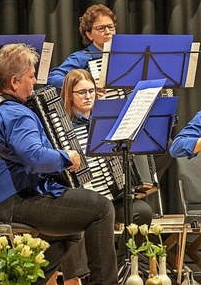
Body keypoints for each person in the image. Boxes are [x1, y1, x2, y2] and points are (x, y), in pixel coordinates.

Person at [0, 44, 119, 285]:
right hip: (8, 200)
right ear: (14, 82)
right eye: (31, 77)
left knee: (71, 229)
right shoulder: (17, 114)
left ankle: (24, 282)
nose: (34, 83)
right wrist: (67, 157)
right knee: (101, 208)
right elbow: (35, 157)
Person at [58, 69, 154, 283]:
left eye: (91, 91)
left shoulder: (109, 120)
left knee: (142, 212)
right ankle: (80, 277)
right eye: (81, 92)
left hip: (113, 194)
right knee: (74, 221)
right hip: (84, 197)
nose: (88, 96)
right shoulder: (63, 127)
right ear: (69, 94)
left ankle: (124, 268)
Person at [47, 4, 116, 90]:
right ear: (89, 34)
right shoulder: (81, 57)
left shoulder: (126, 55)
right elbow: (53, 77)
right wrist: (82, 85)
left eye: (110, 27)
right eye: (101, 28)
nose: (108, 32)